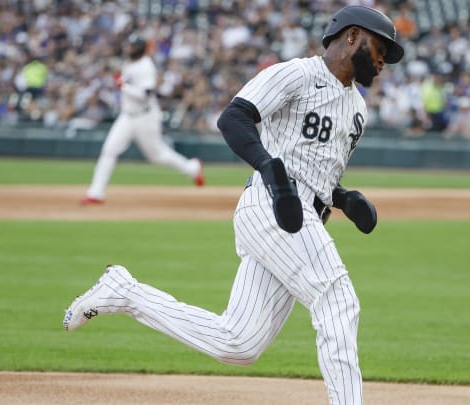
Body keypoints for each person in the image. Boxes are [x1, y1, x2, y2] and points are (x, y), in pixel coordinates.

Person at [63, 6, 403, 404]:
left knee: (239, 342)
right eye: (381, 48)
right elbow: (235, 118)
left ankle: (124, 292)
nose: (384, 61)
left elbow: (313, 166)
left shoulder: (357, 108)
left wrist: (342, 197)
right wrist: (271, 171)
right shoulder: (298, 73)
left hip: (303, 213)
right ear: (352, 36)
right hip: (269, 205)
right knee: (336, 296)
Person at [80, 34, 204, 205]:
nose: (129, 49)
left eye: (132, 47)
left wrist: (123, 86)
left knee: (157, 156)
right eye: (129, 46)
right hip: (127, 116)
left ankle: (192, 168)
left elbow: (146, 95)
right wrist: (123, 85)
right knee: (109, 150)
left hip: (145, 116)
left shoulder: (146, 66)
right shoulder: (130, 63)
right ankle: (96, 193)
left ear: (140, 49)